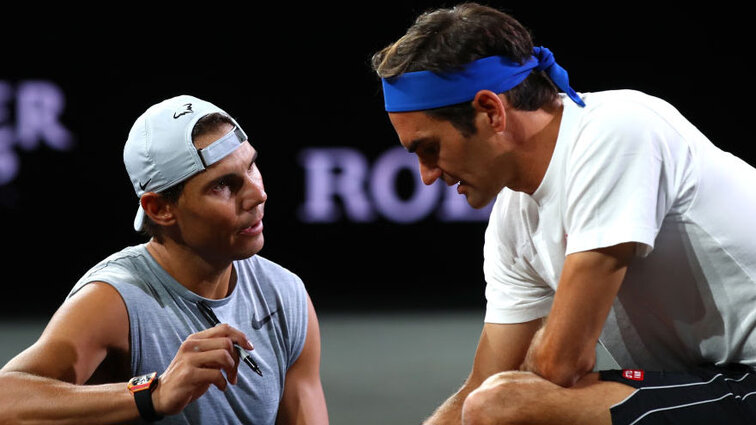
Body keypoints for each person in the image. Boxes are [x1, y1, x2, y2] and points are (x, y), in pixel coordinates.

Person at [372, 3, 756, 425]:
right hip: (713, 382)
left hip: (741, 380)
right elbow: (485, 383)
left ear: (491, 111)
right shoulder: (512, 221)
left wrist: (525, 380)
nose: (426, 175)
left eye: (429, 148)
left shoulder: (617, 131)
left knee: (508, 408)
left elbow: (560, 364)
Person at [0, 95, 329, 424]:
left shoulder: (285, 295)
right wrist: (153, 394)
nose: (258, 194)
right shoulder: (115, 300)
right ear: (159, 208)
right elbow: (7, 399)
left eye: (251, 166)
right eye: (223, 185)